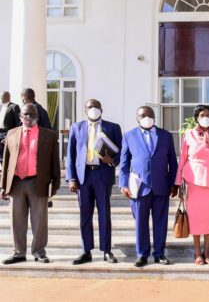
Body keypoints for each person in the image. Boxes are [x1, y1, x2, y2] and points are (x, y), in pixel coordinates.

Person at [119, 106, 178, 267]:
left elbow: (173, 161)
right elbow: (124, 164)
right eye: (143, 115)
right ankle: (142, 254)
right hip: (139, 187)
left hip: (161, 186)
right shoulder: (129, 136)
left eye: (150, 115)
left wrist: (175, 184)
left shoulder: (165, 135)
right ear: (137, 118)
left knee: (160, 222)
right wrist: (123, 185)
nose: (147, 118)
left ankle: (159, 254)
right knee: (141, 223)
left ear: (155, 117)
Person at [1, 103, 60, 264]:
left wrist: (55, 184)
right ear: (20, 117)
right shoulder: (12, 133)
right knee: (17, 220)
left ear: (37, 116)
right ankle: (19, 252)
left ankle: (39, 252)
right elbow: (6, 161)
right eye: (25, 114)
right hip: (16, 183)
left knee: (39, 220)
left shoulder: (49, 135)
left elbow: (55, 161)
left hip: (38, 181)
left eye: (31, 114)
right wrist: (3, 186)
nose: (28, 117)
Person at [66, 99, 123, 265]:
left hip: (102, 175)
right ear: (85, 110)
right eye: (90, 107)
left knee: (104, 214)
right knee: (85, 215)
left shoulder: (112, 127)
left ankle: (106, 250)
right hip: (83, 177)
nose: (93, 109)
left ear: (101, 109)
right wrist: (71, 178)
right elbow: (71, 155)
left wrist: (111, 160)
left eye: (96, 106)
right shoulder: (76, 128)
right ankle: (86, 251)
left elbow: (121, 152)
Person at [176, 105, 209, 265]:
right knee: (196, 218)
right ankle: (197, 252)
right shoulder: (188, 135)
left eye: (208, 115)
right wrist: (178, 184)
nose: (206, 117)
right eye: (202, 115)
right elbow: (182, 159)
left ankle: (208, 251)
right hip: (193, 182)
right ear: (197, 118)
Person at [0, 91, 21, 162]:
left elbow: (18, 123)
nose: (0, 98)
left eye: (2, 96)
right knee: (0, 155)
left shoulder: (14, 107)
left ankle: (7, 171)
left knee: (6, 154)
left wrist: (11, 136)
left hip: (8, 133)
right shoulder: (1, 107)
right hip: (0, 132)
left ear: (7, 96)